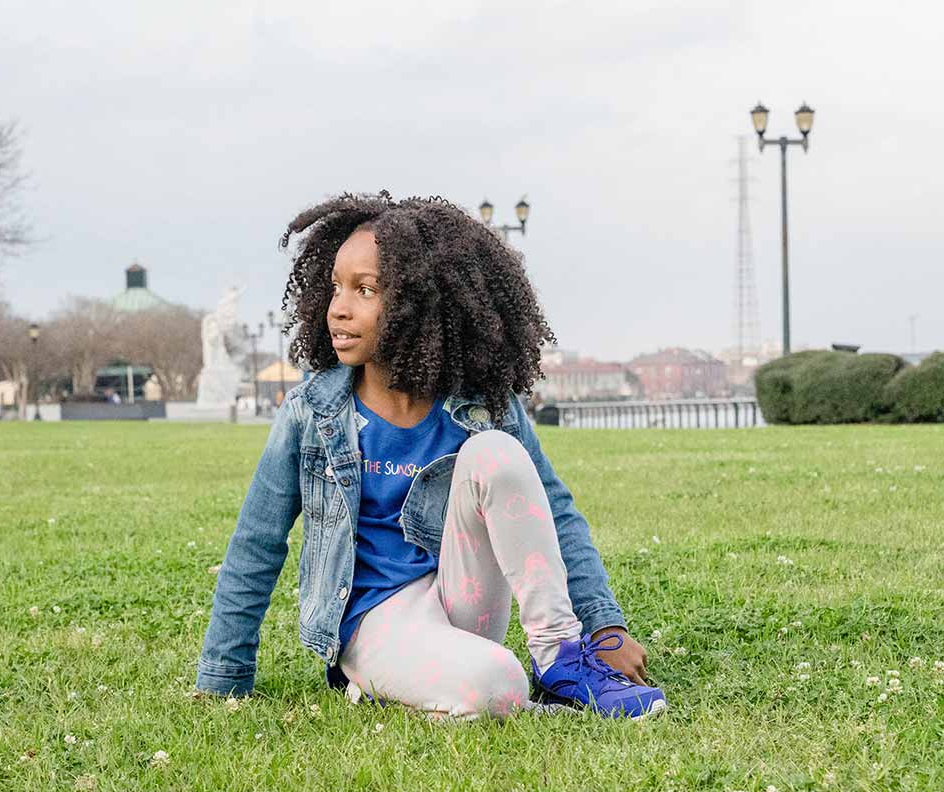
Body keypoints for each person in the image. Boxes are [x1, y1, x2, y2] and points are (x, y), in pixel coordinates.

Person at [196, 192, 666, 720]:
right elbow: (257, 542)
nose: (339, 308)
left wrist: (605, 627)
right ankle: (406, 681)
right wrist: (224, 676)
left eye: (365, 290)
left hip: (463, 601)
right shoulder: (313, 411)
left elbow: (553, 513)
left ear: (419, 304)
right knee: (500, 682)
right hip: (376, 622)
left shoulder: (482, 405)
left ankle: (560, 655)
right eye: (336, 288)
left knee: (496, 452)